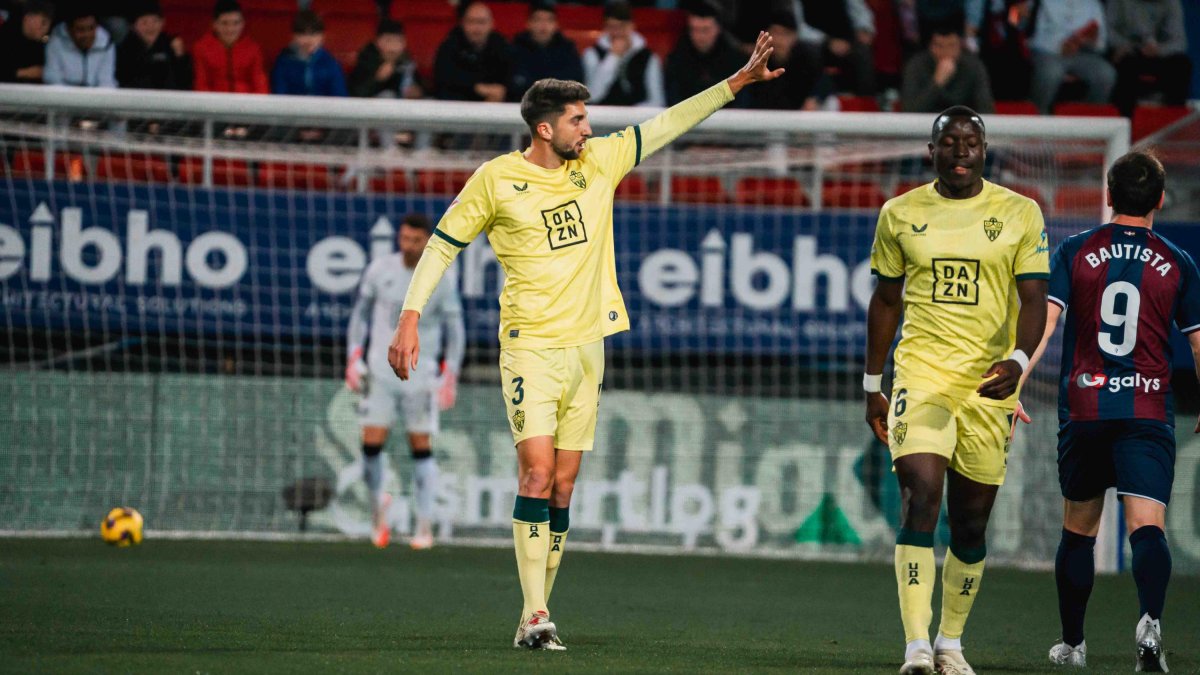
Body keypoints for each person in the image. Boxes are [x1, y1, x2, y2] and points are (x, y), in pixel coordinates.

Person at [388, 33, 782, 651]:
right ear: (545, 129)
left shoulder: (599, 162)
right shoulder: (496, 180)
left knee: (564, 487)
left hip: (587, 348)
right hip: (530, 347)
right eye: (578, 120)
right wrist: (409, 317)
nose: (589, 128)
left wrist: (736, 83)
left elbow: (668, 122)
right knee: (536, 473)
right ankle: (536, 612)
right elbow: (441, 246)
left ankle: (534, 616)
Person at [864, 106, 1048, 675]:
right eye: (950, 142)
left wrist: (1019, 360)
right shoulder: (899, 213)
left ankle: (950, 642)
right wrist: (873, 383)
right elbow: (886, 301)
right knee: (921, 495)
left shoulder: (1020, 212)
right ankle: (916, 647)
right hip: (920, 376)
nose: (961, 150)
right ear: (932, 151)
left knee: (970, 523)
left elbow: (1034, 300)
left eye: (971, 142)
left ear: (985, 150)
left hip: (988, 386)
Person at [1020, 151, 1200, 672]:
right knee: (1147, 525)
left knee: (1079, 528)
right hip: (1146, 409)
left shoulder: (1075, 249)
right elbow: (1197, 343)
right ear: (1160, 199)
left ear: (1107, 194)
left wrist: (1015, 385)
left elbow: (1043, 325)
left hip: (1085, 408)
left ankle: (1073, 644)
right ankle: (1150, 622)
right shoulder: (1178, 261)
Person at [346, 214, 464, 551]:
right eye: (404, 239)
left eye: (415, 240)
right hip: (380, 373)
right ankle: (377, 511)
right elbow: (360, 315)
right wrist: (353, 356)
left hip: (420, 375)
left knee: (421, 447)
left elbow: (455, 329)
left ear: (427, 241)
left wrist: (450, 373)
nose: (408, 246)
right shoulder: (380, 270)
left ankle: (423, 525)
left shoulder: (442, 276)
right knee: (370, 445)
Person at [1027, 0, 1115, 114]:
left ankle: (1090, 116)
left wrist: (1087, 42)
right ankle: (1038, 113)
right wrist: (1060, 46)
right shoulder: (1044, 2)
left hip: (1081, 54)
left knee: (1106, 74)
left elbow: (1101, 43)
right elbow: (1034, 37)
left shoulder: (1093, 4)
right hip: (1047, 52)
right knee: (1052, 72)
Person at [1107, 0, 1191, 117]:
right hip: (1129, 51)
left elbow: (1179, 42)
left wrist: (1159, 50)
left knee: (1181, 65)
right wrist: (1127, 46)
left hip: (1159, 54)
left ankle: (1174, 120)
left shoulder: (1171, 3)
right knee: (1126, 64)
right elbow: (1108, 31)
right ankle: (1126, 120)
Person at [582, 1, 665, 107]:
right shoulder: (592, 54)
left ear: (631, 26)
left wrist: (633, 113)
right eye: (611, 27)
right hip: (603, 114)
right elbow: (592, 96)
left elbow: (657, 101)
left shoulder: (649, 57)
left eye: (621, 27)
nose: (617, 33)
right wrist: (613, 57)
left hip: (639, 115)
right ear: (605, 27)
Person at [901, 20, 994, 114]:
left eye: (951, 45)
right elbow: (909, 110)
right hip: (926, 121)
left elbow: (986, 109)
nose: (945, 51)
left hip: (963, 121)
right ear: (930, 47)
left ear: (960, 46)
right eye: (939, 46)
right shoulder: (916, 66)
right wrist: (937, 82)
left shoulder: (974, 66)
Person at [665, 1, 747, 105]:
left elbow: (742, 105)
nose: (700, 36)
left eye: (706, 30)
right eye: (695, 29)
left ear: (718, 29)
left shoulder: (736, 61)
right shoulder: (677, 60)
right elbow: (673, 101)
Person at [792, 0, 876, 96]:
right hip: (815, 41)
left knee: (862, 51)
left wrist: (864, 28)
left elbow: (859, 10)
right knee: (809, 53)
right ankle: (814, 97)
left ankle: (866, 100)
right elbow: (798, 26)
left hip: (845, 41)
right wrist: (827, 41)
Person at [433, 1, 512, 102]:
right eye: (471, 22)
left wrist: (497, 93)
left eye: (481, 22)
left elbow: (511, 80)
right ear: (462, 24)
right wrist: (477, 87)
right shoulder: (449, 46)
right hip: (456, 105)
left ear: (492, 24)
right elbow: (444, 79)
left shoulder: (501, 45)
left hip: (494, 106)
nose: (476, 28)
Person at [749, 11, 826, 111]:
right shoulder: (757, 60)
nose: (779, 39)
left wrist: (814, 98)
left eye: (785, 34)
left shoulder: (808, 57)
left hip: (801, 115)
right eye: (775, 32)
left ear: (794, 37)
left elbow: (823, 85)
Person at [510, 2, 584, 101]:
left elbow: (575, 81)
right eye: (538, 20)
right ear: (528, 23)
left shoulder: (568, 49)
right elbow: (514, 83)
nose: (544, 26)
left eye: (549, 20)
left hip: (559, 104)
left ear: (556, 25)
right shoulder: (516, 48)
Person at [192, 0, 268, 94]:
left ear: (243, 24)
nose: (230, 29)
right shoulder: (201, 48)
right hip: (213, 101)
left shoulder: (253, 49)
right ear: (214, 24)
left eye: (236, 23)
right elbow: (201, 85)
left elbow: (260, 85)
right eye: (224, 23)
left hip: (246, 101)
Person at [116, 1, 192, 91]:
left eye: (155, 21)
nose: (150, 27)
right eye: (144, 22)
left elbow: (185, 82)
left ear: (163, 23)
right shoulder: (125, 49)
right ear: (133, 26)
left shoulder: (171, 44)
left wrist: (181, 57)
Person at [271, 11, 347, 97]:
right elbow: (279, 95)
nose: (309, 40)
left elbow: (339, 97)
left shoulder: (331, 64)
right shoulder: (283, 63)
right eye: (303, 34)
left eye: (314, 34)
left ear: (322, 37)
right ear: (294, 36)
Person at [348, 19, 421, 99]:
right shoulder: (366, 61)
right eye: (388, 41)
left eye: (399, 41)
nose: (393, 47)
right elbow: (355, 94)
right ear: (377, 42)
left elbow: (422, 87)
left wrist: (418, 92)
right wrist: (378, 79)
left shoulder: (407, 62)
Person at [43, 8, 117, 88]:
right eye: (81, 30)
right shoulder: (55, 42)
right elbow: (53, 79)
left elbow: (106, 81)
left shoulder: (107, 44)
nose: (87, 35)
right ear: (69, 30)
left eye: (91, 28)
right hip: (63, 94)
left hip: (96, 94)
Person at [0, 1, 53, 84]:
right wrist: (23, 73)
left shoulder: (41, 46)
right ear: (28, 18)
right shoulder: (5, 36)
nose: (46, 29)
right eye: (43, 23)